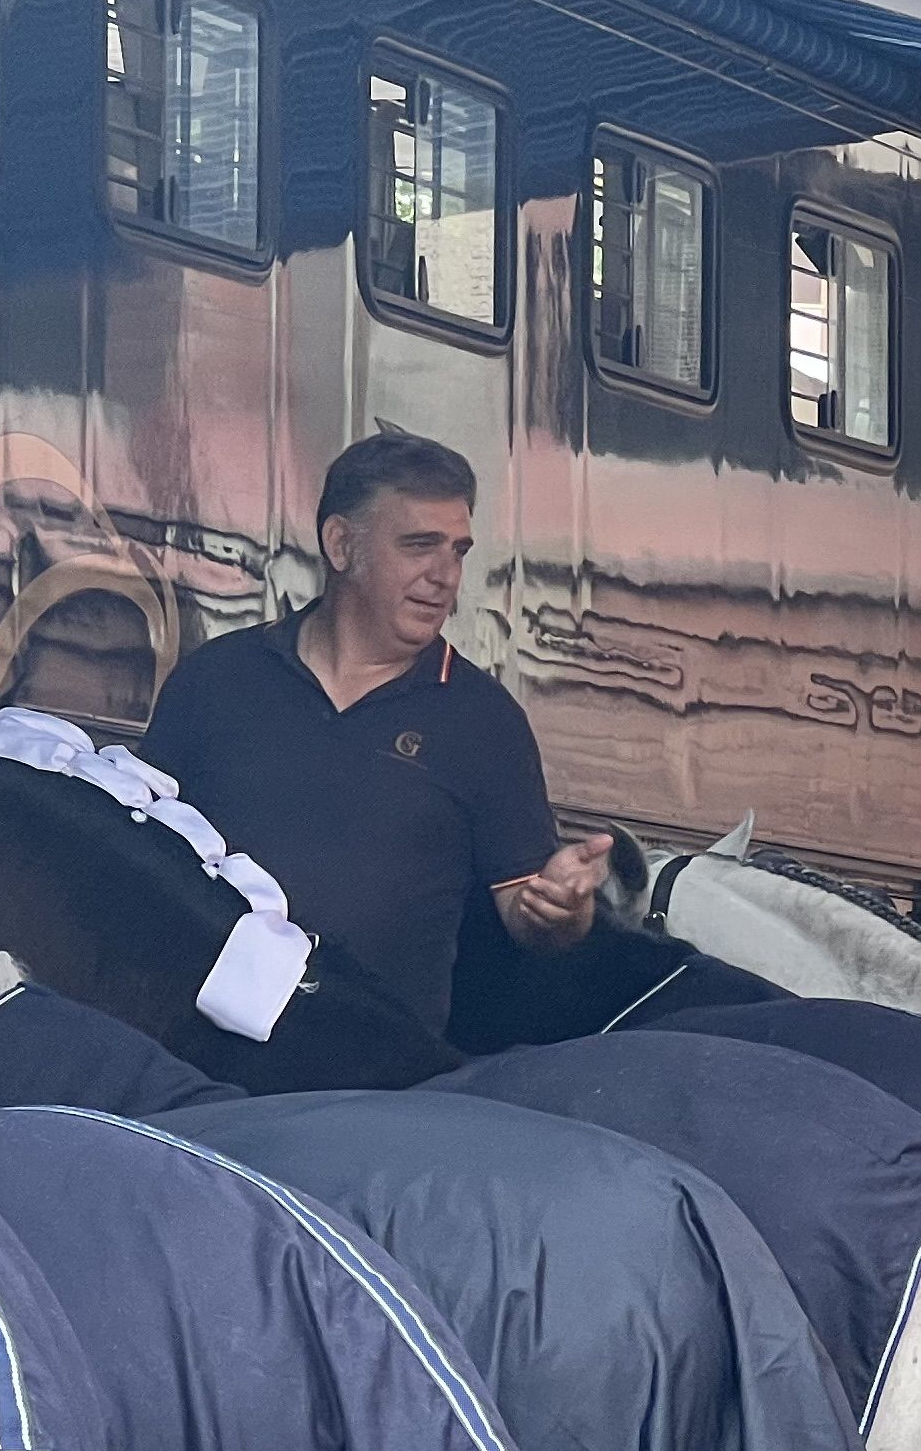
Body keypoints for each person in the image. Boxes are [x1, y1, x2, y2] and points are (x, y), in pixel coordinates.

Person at [139, 431, 610, 1038]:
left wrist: (561, 909)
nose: (445, 576)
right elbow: (140, 856)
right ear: (341, 545)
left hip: (374, 1079)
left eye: (459, 551)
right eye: (420, 546)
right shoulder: (217, 679)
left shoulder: (484, 721)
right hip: (189, 1053)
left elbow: (525, 911)